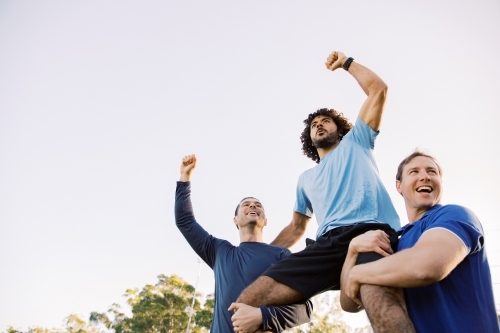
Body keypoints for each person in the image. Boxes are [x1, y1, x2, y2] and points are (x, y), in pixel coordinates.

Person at [234, 51, 415, 333]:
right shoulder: (306, 178)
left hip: (371, 234)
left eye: (325, 121)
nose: (318, 124)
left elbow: (379, 89)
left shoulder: (357, 142)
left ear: (340, 129)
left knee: (377, 298)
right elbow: (296, 228)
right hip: (326, 246)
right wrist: (263, 254)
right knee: (245, 302)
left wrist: (346, 63)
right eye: (314, 124)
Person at [343, 151, 500, 332]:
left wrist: (356, 273)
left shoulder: (456, 215)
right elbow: (349, 303)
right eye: (414, 172)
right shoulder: (393, 241)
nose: (425, 177)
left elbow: (425, 268)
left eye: (432, 172)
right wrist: (352, 251)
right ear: (399, 186)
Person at [175, 154, 312, 333]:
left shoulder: (280, 254)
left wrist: (263, 317)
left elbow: (304, 310)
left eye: (258, 205)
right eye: (246, 204)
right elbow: (185, 221)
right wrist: (184, 178)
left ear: (266, 221)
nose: (253, 206)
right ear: (235, 220)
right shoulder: (219, 251)